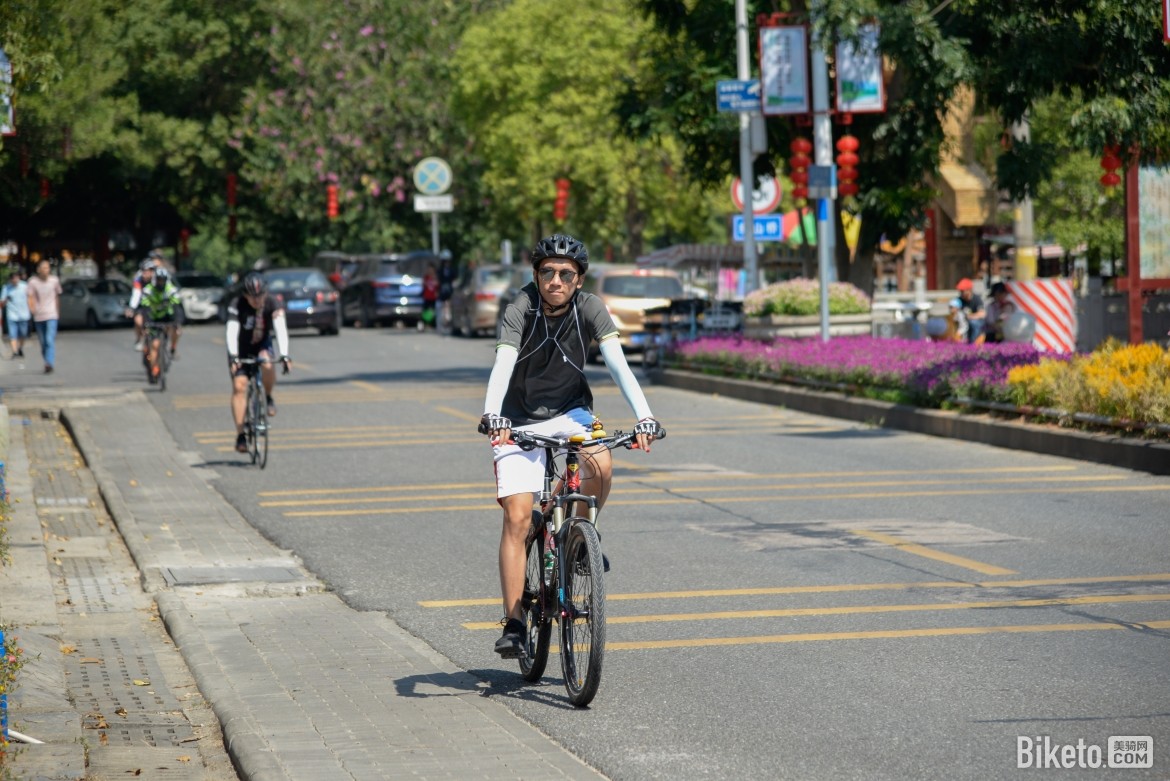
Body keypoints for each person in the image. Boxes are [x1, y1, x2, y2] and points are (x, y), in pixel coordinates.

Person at [478, 234, 662, 658]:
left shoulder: (590, 308)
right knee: (518, 517)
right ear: (536, 275)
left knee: (601, 465)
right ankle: (514, 623)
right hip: (516, 417)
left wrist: (645, 416)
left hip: (571, 412)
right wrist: (493, 414)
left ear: (579, 280)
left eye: (566, 274)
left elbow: (617, 362)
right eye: (547, 272)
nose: (555, 280)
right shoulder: (520, 308)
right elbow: (503, 362)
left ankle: (580, 542)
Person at [225, 272, 291, 454]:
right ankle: (240, 435)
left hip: (262, 343)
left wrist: (285, 355)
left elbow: (280, 329)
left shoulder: (272, 302)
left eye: (260, 296)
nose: (257, 300)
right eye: (252, 297)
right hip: (241, 347)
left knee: (267, 363)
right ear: (245, 295)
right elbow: (231, 331)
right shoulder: (237, 305)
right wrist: (233, 356)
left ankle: (268, 397)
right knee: (239, 386)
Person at [139, 267, 183, 379]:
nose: (161, 282)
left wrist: (177, 323)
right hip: (153, 318)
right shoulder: (148, 290)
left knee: (177, 331)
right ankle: (155, 367)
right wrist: (145, 325)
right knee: (154, 345)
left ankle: (173, 348)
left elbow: (177, 307)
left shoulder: (171, 290)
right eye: (159, 280)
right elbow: (145, 309)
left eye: (163, 280)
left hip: (167, 316)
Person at [27, 259, 63, 373]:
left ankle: (49, 363)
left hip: (51, 315)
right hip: (39, 316)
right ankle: (47, 360)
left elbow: (57, 296)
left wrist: (57, 311)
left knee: (49, 340)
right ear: (39, 270)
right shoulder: (33, 282)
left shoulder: (54, 281)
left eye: (47, 268)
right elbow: (30, 296)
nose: (46, 270)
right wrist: (32, 309)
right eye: (43, 268)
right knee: (43, 343)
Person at [128, 258, 159, 350]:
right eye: (144, 271)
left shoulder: (158, 278)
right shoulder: (138, 279)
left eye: (149, 271)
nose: (147, 274)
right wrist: (132, 308)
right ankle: (139, 339)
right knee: (138, 321)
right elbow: (136, 295)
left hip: (155, 303)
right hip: (142, 303)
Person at [1, 268, 30, 358]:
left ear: (18, 278)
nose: (14, 280)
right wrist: (6, 300)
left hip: (23, 314)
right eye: (12, 278)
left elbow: (31, 298)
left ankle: (20, 347)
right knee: (12, 334)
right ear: (10, 280)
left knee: (23, 334)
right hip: (12, 315)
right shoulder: (6, 288)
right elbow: (2, 302)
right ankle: (15, 351)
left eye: (16, 278)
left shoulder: (25, 286)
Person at [956, 278, 985, 344]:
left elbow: (982, 314)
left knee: (973, 322)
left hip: (976, 323)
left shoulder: (976, 299)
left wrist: (970, 316)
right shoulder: (959, 300)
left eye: (963, 291)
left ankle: (973, 343)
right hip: (963, 322)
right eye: (961, 291)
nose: (961, 293)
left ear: (969, 290)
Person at [437, 252, 457, 332]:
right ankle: (441, 325)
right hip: (442, 291)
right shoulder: (440, 270)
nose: (446, 263)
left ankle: (449, 323)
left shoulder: (452, 269)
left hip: (450, 291)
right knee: (441, 308)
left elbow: (454, 279)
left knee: (449, 307)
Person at [421, 264, 440, 330]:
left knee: (433, 311)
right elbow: (423, 285)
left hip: (433, 297)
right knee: (426, 311)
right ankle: (426, 323)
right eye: (429, 269)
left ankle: (432, 324)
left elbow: (438, 286)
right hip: (427, 296)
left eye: (431, 269)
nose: (430, 271)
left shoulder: (436, 277)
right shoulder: (426, 277)